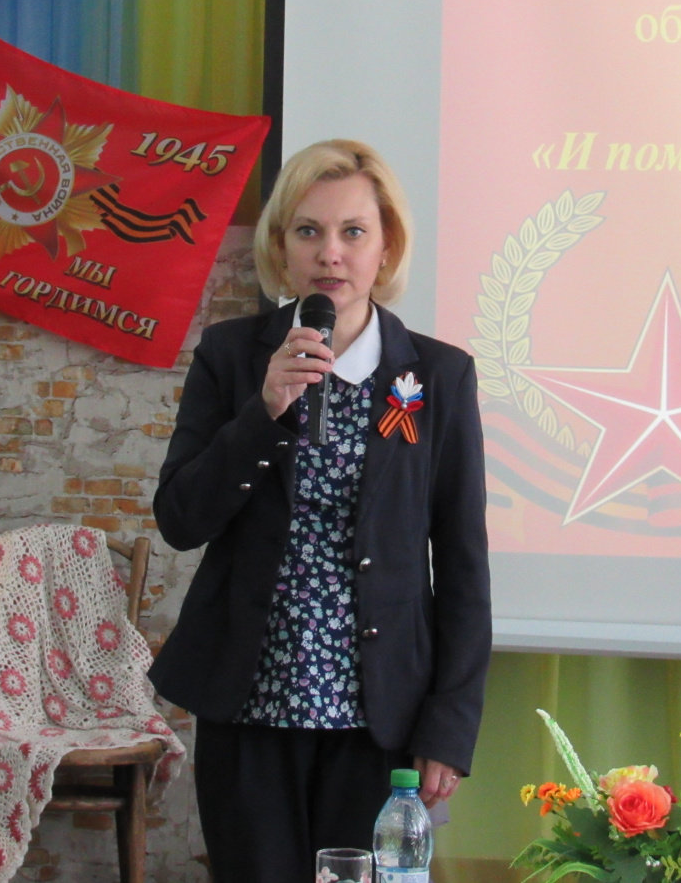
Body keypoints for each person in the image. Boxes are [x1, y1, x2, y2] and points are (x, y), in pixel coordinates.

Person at [148, 139, 491, 883]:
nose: (330, 252)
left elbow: (464, 565)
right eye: (308, 231)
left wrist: (450, 727)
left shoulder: (439, 375)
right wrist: (264, 411)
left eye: (352, 231)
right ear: (281, 246)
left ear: (386, 246)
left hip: (381, 716)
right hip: (250, 703)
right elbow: (179, 518)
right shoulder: (231, 357)